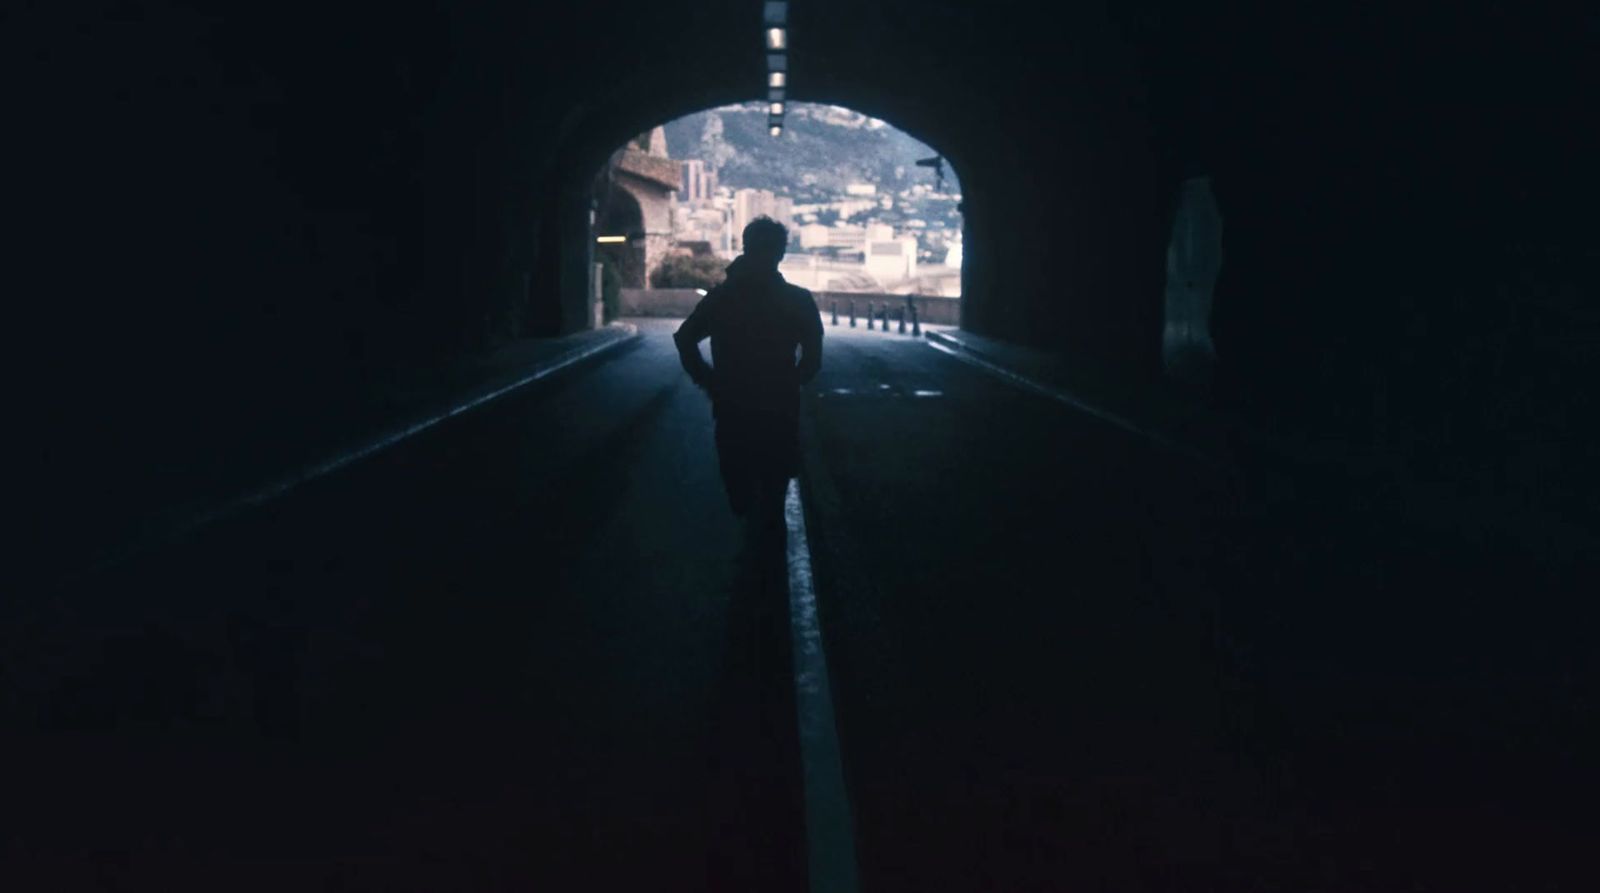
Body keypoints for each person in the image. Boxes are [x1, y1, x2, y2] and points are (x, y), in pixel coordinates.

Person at [674, 217, 823, 533]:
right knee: (774, 499)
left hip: (732, 405)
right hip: (780, 408)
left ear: (745, 248)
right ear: (781, 253)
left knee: (739, 491)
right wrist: (791, 382)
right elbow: (812, 361)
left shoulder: (722, 298)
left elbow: (684, 338)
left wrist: (709, 380)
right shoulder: (798, 300)